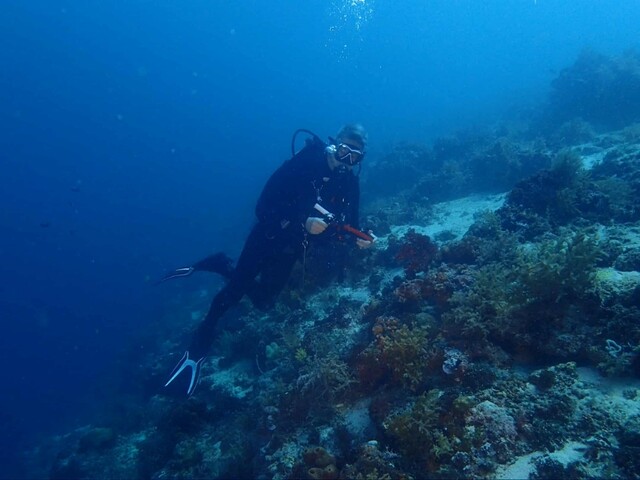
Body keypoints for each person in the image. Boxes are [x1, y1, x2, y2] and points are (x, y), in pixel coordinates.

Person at [163, 124, 374, 395]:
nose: (347, 161)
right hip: (267, 237)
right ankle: (197, 349)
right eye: (345, 151)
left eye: (355, 157)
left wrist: (361, 237)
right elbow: (263, 207)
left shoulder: (350, 183)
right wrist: (302, 222)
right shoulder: (305, 163)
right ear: (335, 143)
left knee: (264, 301)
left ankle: (222, 264)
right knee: (233, 294)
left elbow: (350, 225)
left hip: (293, 248)